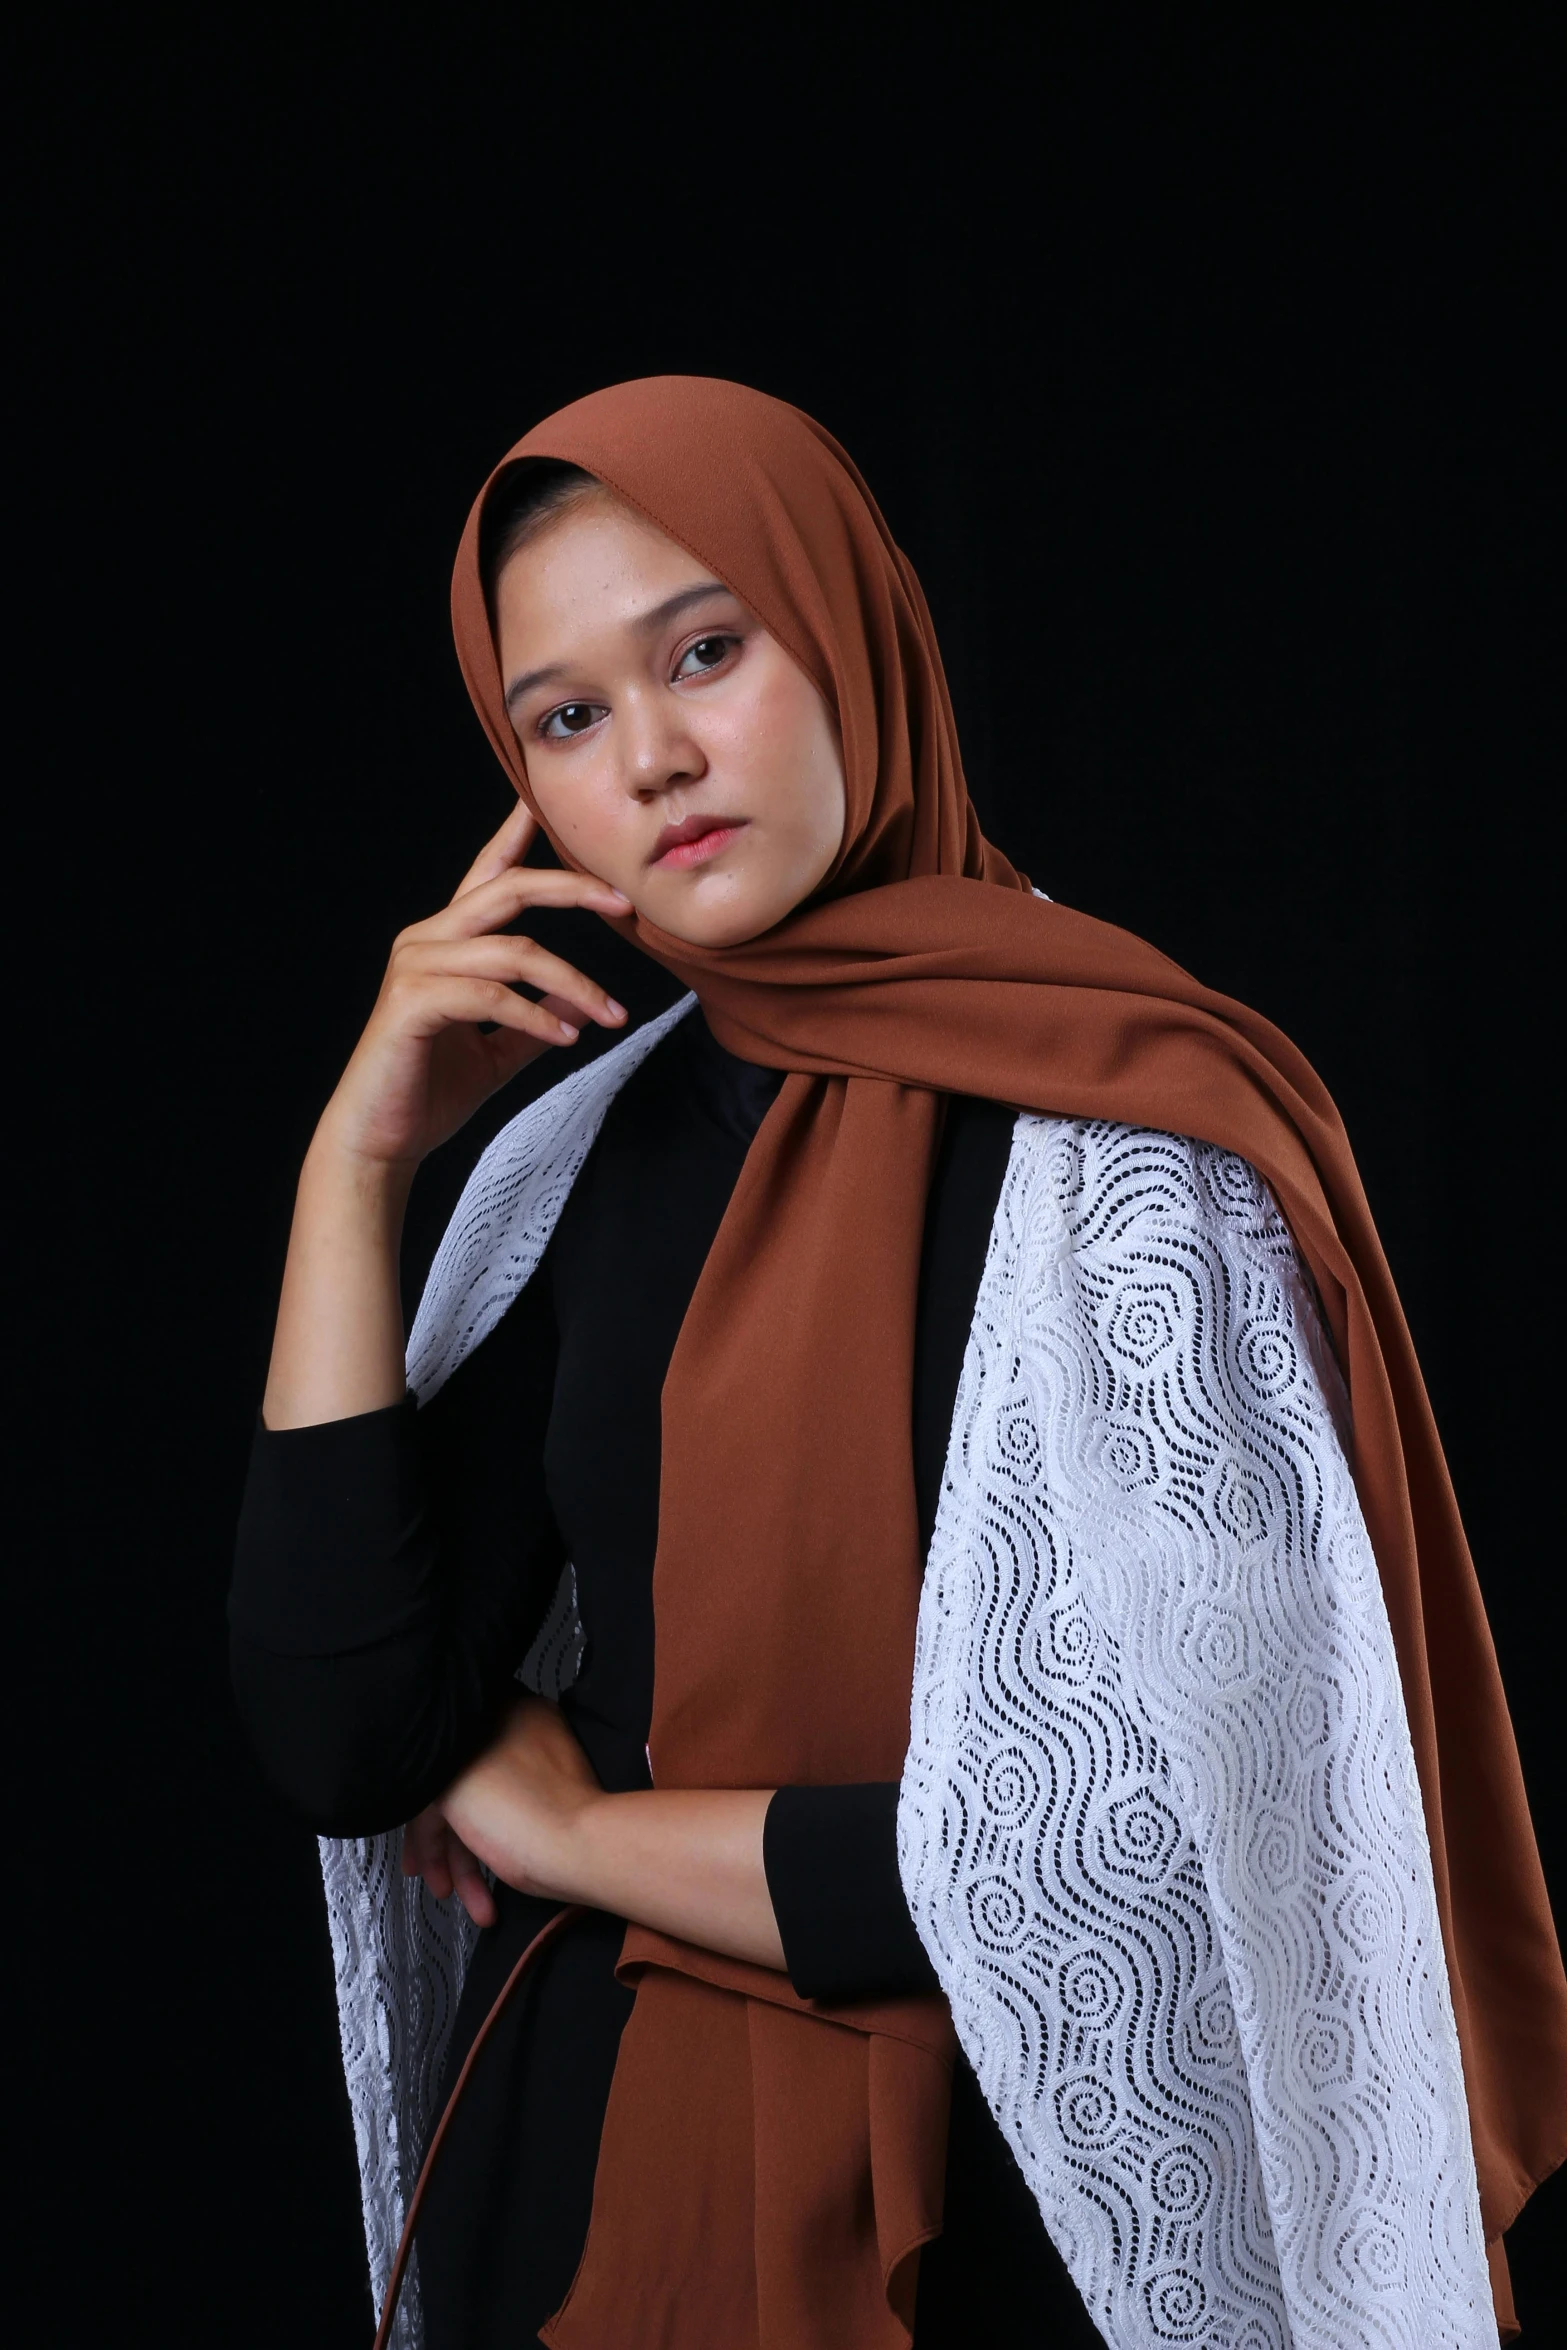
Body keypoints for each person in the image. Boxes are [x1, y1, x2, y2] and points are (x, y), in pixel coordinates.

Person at [231, 377, 1566, 2350]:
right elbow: (350, 1733)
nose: (661, 757)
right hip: (598, 2199)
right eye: (569, 716)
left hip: (1027, 2218)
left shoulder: (1134, 1142)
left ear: (855, 630)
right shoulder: (574, 1160)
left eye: (707, 648)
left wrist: (579, 1826)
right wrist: (357, 1168)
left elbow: (1148, 1848)